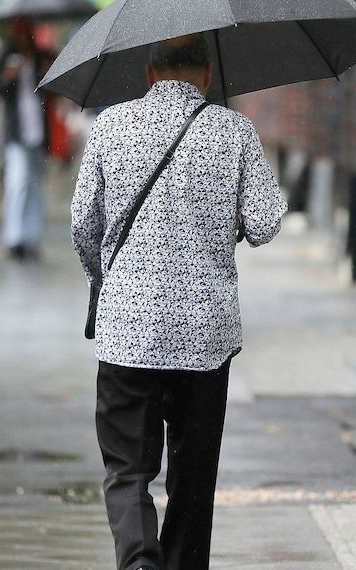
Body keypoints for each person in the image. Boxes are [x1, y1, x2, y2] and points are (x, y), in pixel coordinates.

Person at [70, 34, 287, 570]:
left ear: (149, 73)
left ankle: (139, 562)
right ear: (208, 76)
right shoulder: (234, 131)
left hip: (128, 329)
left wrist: (111, 278)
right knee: (192, 474)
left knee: (127, 467)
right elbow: (264, 221)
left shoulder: (111, 127)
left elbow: (83, 224)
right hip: (204, 334)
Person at [0, 17, 51, 261]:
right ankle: (14, 237)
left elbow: (51, 89)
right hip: (16, 131)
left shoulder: (40, 56)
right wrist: (9, 76)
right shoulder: (6, 56)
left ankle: (31, 236)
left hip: (37, 131)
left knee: (36, 185)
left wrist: (45, 73)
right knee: (18, 183)